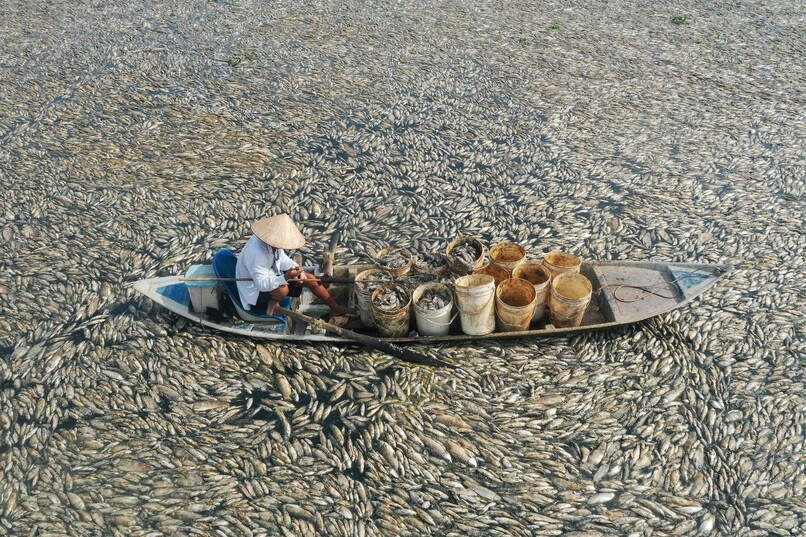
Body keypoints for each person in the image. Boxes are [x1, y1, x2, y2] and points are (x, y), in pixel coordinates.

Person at [236, 214, 356, 317]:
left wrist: (298, 270)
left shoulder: (271, 243)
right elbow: (262, 284)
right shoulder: (256, 253)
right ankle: (272, 302)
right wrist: (286, 277)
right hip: (255, 291)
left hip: (271, 275)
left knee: (311, 279)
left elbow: (282, 259)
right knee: (283, 289)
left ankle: (335, 308)